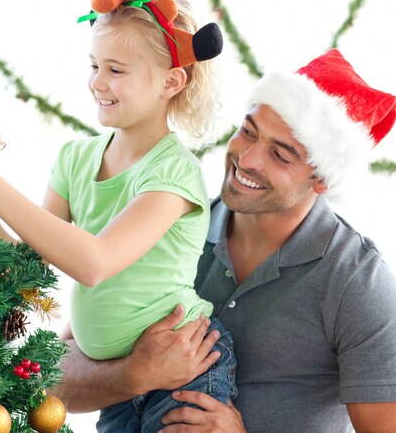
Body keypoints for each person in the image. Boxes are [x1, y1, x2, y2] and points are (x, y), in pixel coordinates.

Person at [0, 0, 237, 432]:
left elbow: (95, 263)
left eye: (117, 70)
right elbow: (28, 268)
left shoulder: (174, 172)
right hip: (115, 381)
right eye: (93, 65)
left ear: (171, 82)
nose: (97, 83)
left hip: (185, 373)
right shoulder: (75, 159)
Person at [51, 48, 396, 432]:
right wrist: (133, 374)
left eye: (280, 155)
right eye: (248, 131)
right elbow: (50, 377)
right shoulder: (167, 219)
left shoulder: (358, 283)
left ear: (322, 180)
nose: (247, 159)